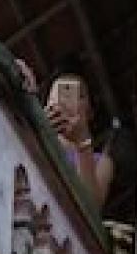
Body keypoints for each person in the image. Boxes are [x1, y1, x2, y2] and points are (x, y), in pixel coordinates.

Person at [44, 59, 115, 210]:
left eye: (79, 95)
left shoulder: (102, 162)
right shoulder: (34, 139)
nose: (67, 102)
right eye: (58, 93)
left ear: (90, 111)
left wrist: (82, 142)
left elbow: (91, 208)